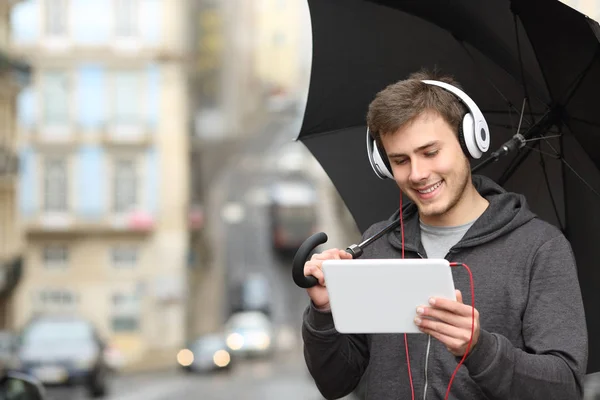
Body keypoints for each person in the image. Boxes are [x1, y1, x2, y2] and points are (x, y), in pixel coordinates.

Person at [301, 69, 588, 400]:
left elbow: (564, 388)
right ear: (383, 165)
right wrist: (323, 313)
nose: (418, 174)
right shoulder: (376, 244)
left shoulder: (539, 249)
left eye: (430, 152)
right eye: (400, 160)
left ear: (469, 141)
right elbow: (334, 382)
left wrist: (480, 349)